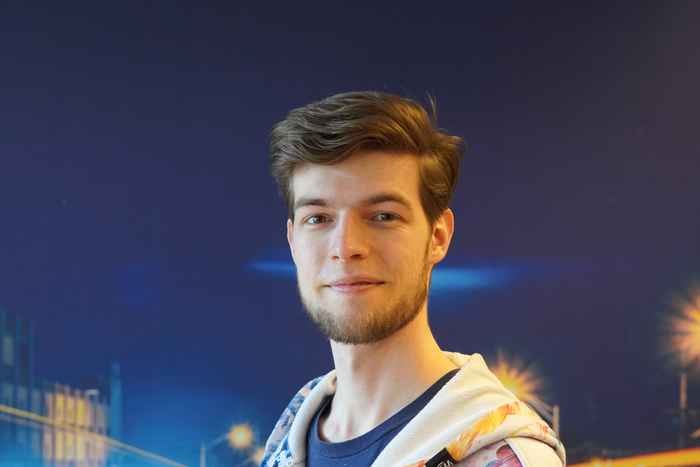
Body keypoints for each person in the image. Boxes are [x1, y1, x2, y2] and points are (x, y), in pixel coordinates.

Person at [261, 91, 566, 467]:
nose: (345, 247)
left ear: (438, 236)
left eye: (383, 216)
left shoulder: (509, 458)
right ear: (293, 241)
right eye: (318, 218)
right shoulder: (291, 433)